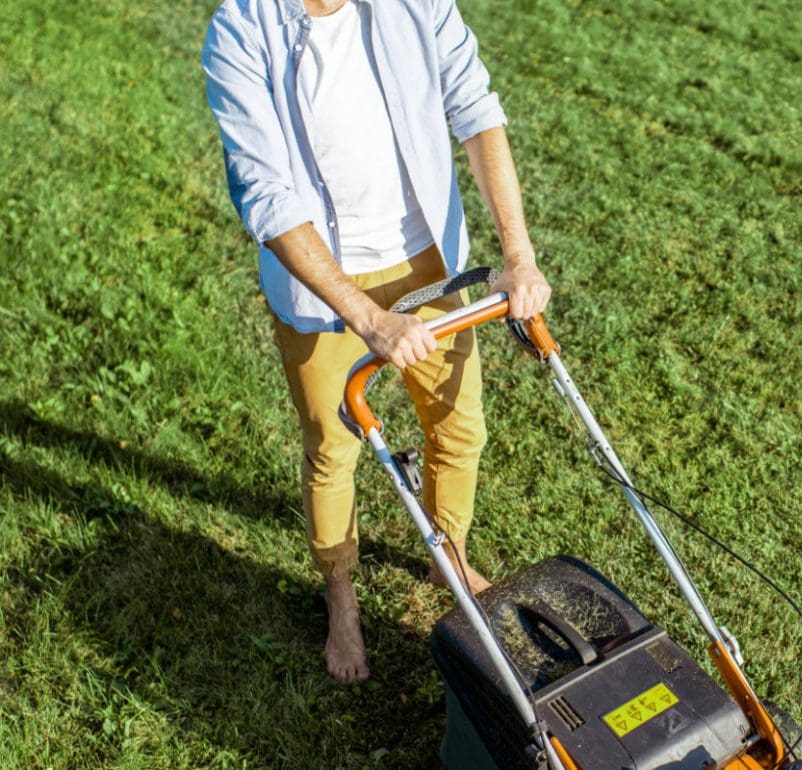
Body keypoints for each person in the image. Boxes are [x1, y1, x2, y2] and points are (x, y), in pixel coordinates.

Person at [201, 0, 550, 683]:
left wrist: (519, 256)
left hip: (427, 256)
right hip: (323, 280)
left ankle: (449, 555)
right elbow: (264, 192)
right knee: (333, 449)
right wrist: (367, 317)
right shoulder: (239, 29)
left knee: (459, 427)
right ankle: (340, 592)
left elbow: (476, 111)